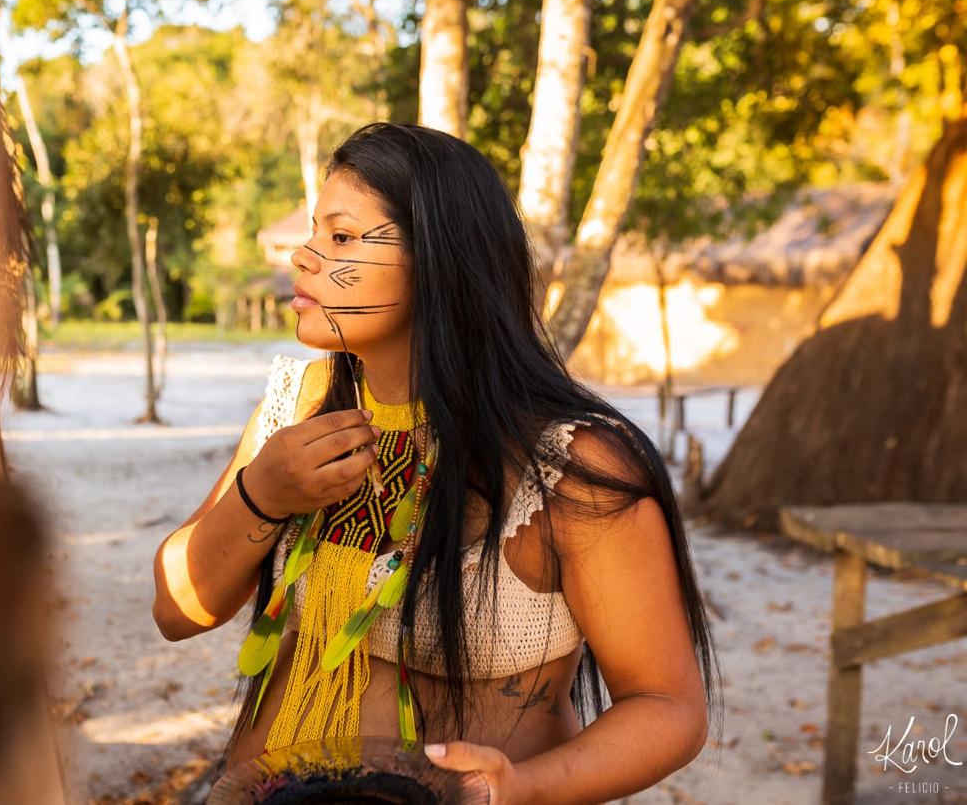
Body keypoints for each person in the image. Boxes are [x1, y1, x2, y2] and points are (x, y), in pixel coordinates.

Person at [152, 122, 723, 803]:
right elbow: (176, 611)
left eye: (341, 237)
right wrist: (261, 495)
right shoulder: (296, 404)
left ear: (441, 261)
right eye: (313, 233)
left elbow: (667, 706)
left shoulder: (568, 466)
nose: (304, 256)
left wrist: (523, 787)